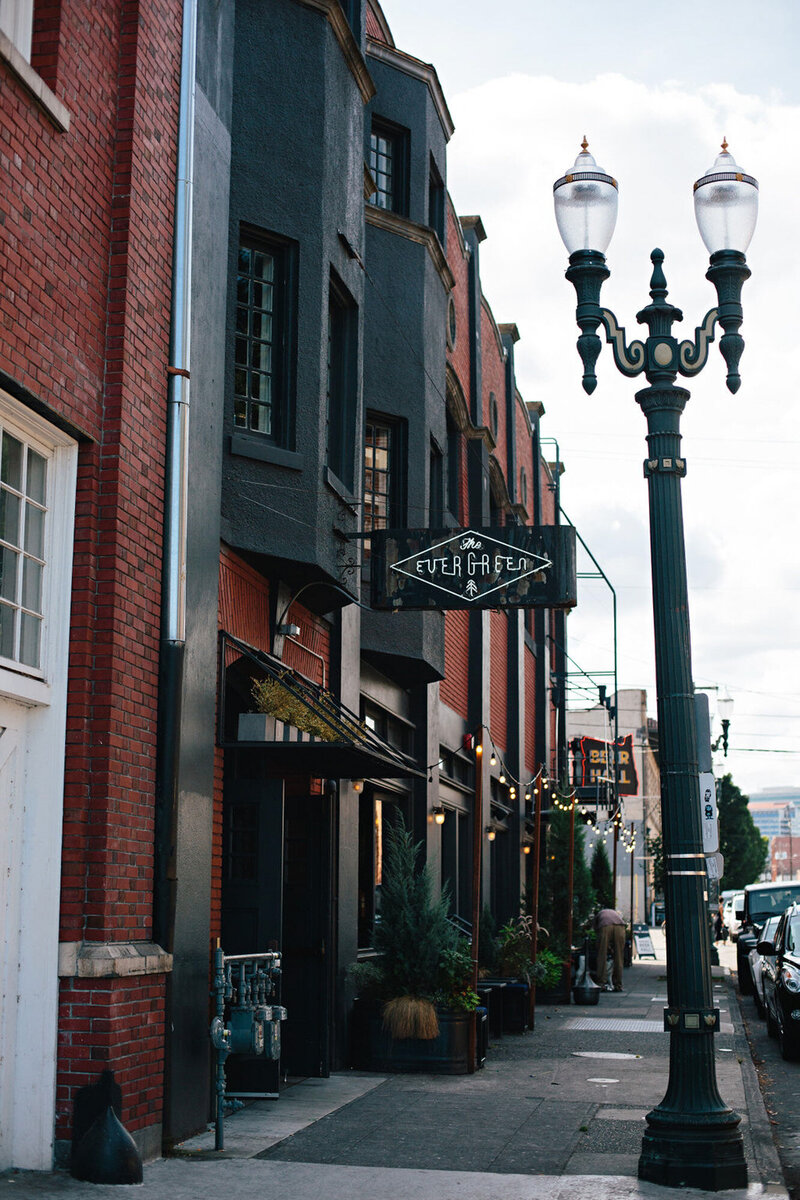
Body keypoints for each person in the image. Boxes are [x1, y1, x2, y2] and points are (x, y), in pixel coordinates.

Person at [595, 907, 625, 992]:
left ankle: (601, 983)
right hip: (620, 926)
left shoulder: (599, 915)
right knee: (619, 957)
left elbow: (596, 930)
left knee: (602, 955)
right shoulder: (614, 913)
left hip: (605, 925)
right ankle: (618, 985)